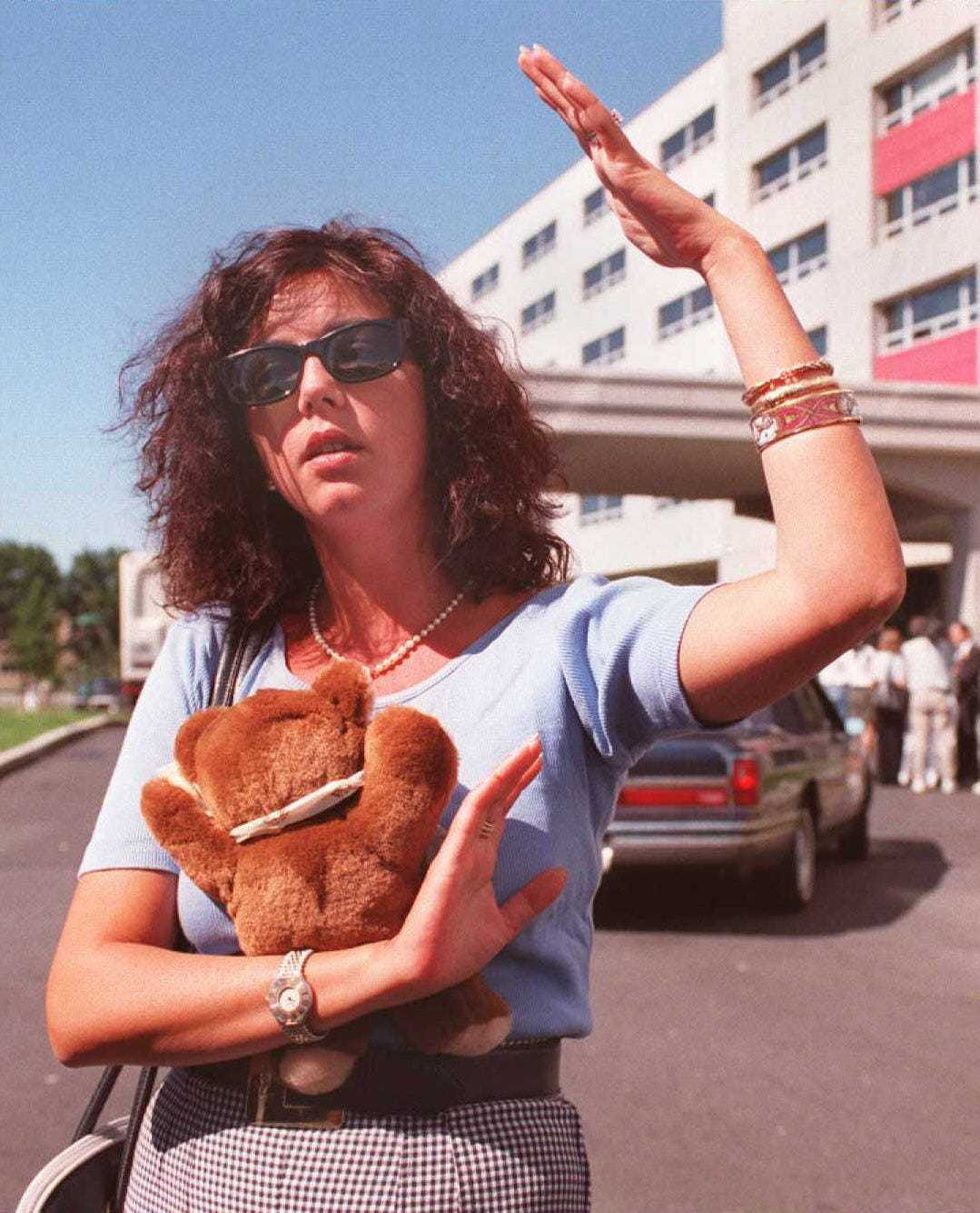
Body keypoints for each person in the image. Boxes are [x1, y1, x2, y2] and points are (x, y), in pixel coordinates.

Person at [44, 46, 905, 1212]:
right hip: (196, 1159)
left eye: (357, 352)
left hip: (454, 1169)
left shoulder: (571, 644)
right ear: (243, 439)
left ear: (438, 389)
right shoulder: (215, 647)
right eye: (268, 375)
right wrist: (386, 971)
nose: (312, 391)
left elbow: (846, 581)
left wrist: (728, 259)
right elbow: (85, 1003)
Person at [901, 617, 957, 794]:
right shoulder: (947, 648)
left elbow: (905, 673)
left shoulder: (909, 647)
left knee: (920, 739)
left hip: (919, 693)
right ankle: (947, 778)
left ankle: (919, 778)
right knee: (944, 739)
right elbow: (951, 672)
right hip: (940, 693)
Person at [869, 626, 907, 785]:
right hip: (895, 703)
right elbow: (902, 682)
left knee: (882, 738)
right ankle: (893, 773)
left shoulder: (877, 657)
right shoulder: (898, 659)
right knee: (895, 738)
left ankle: (883, 772)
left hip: (879, 702)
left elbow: (872, 681)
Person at [948, 620, 980, 790]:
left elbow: (967, 675)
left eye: (955, 632)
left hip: (969, 699)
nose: (952, 636)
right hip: (959, 698)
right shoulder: (958, 651)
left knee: (968, 734)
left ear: (965, 633)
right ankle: (963, 773)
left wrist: (957, 672)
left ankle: (971, 773)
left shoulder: (973, 650)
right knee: (961, 734)